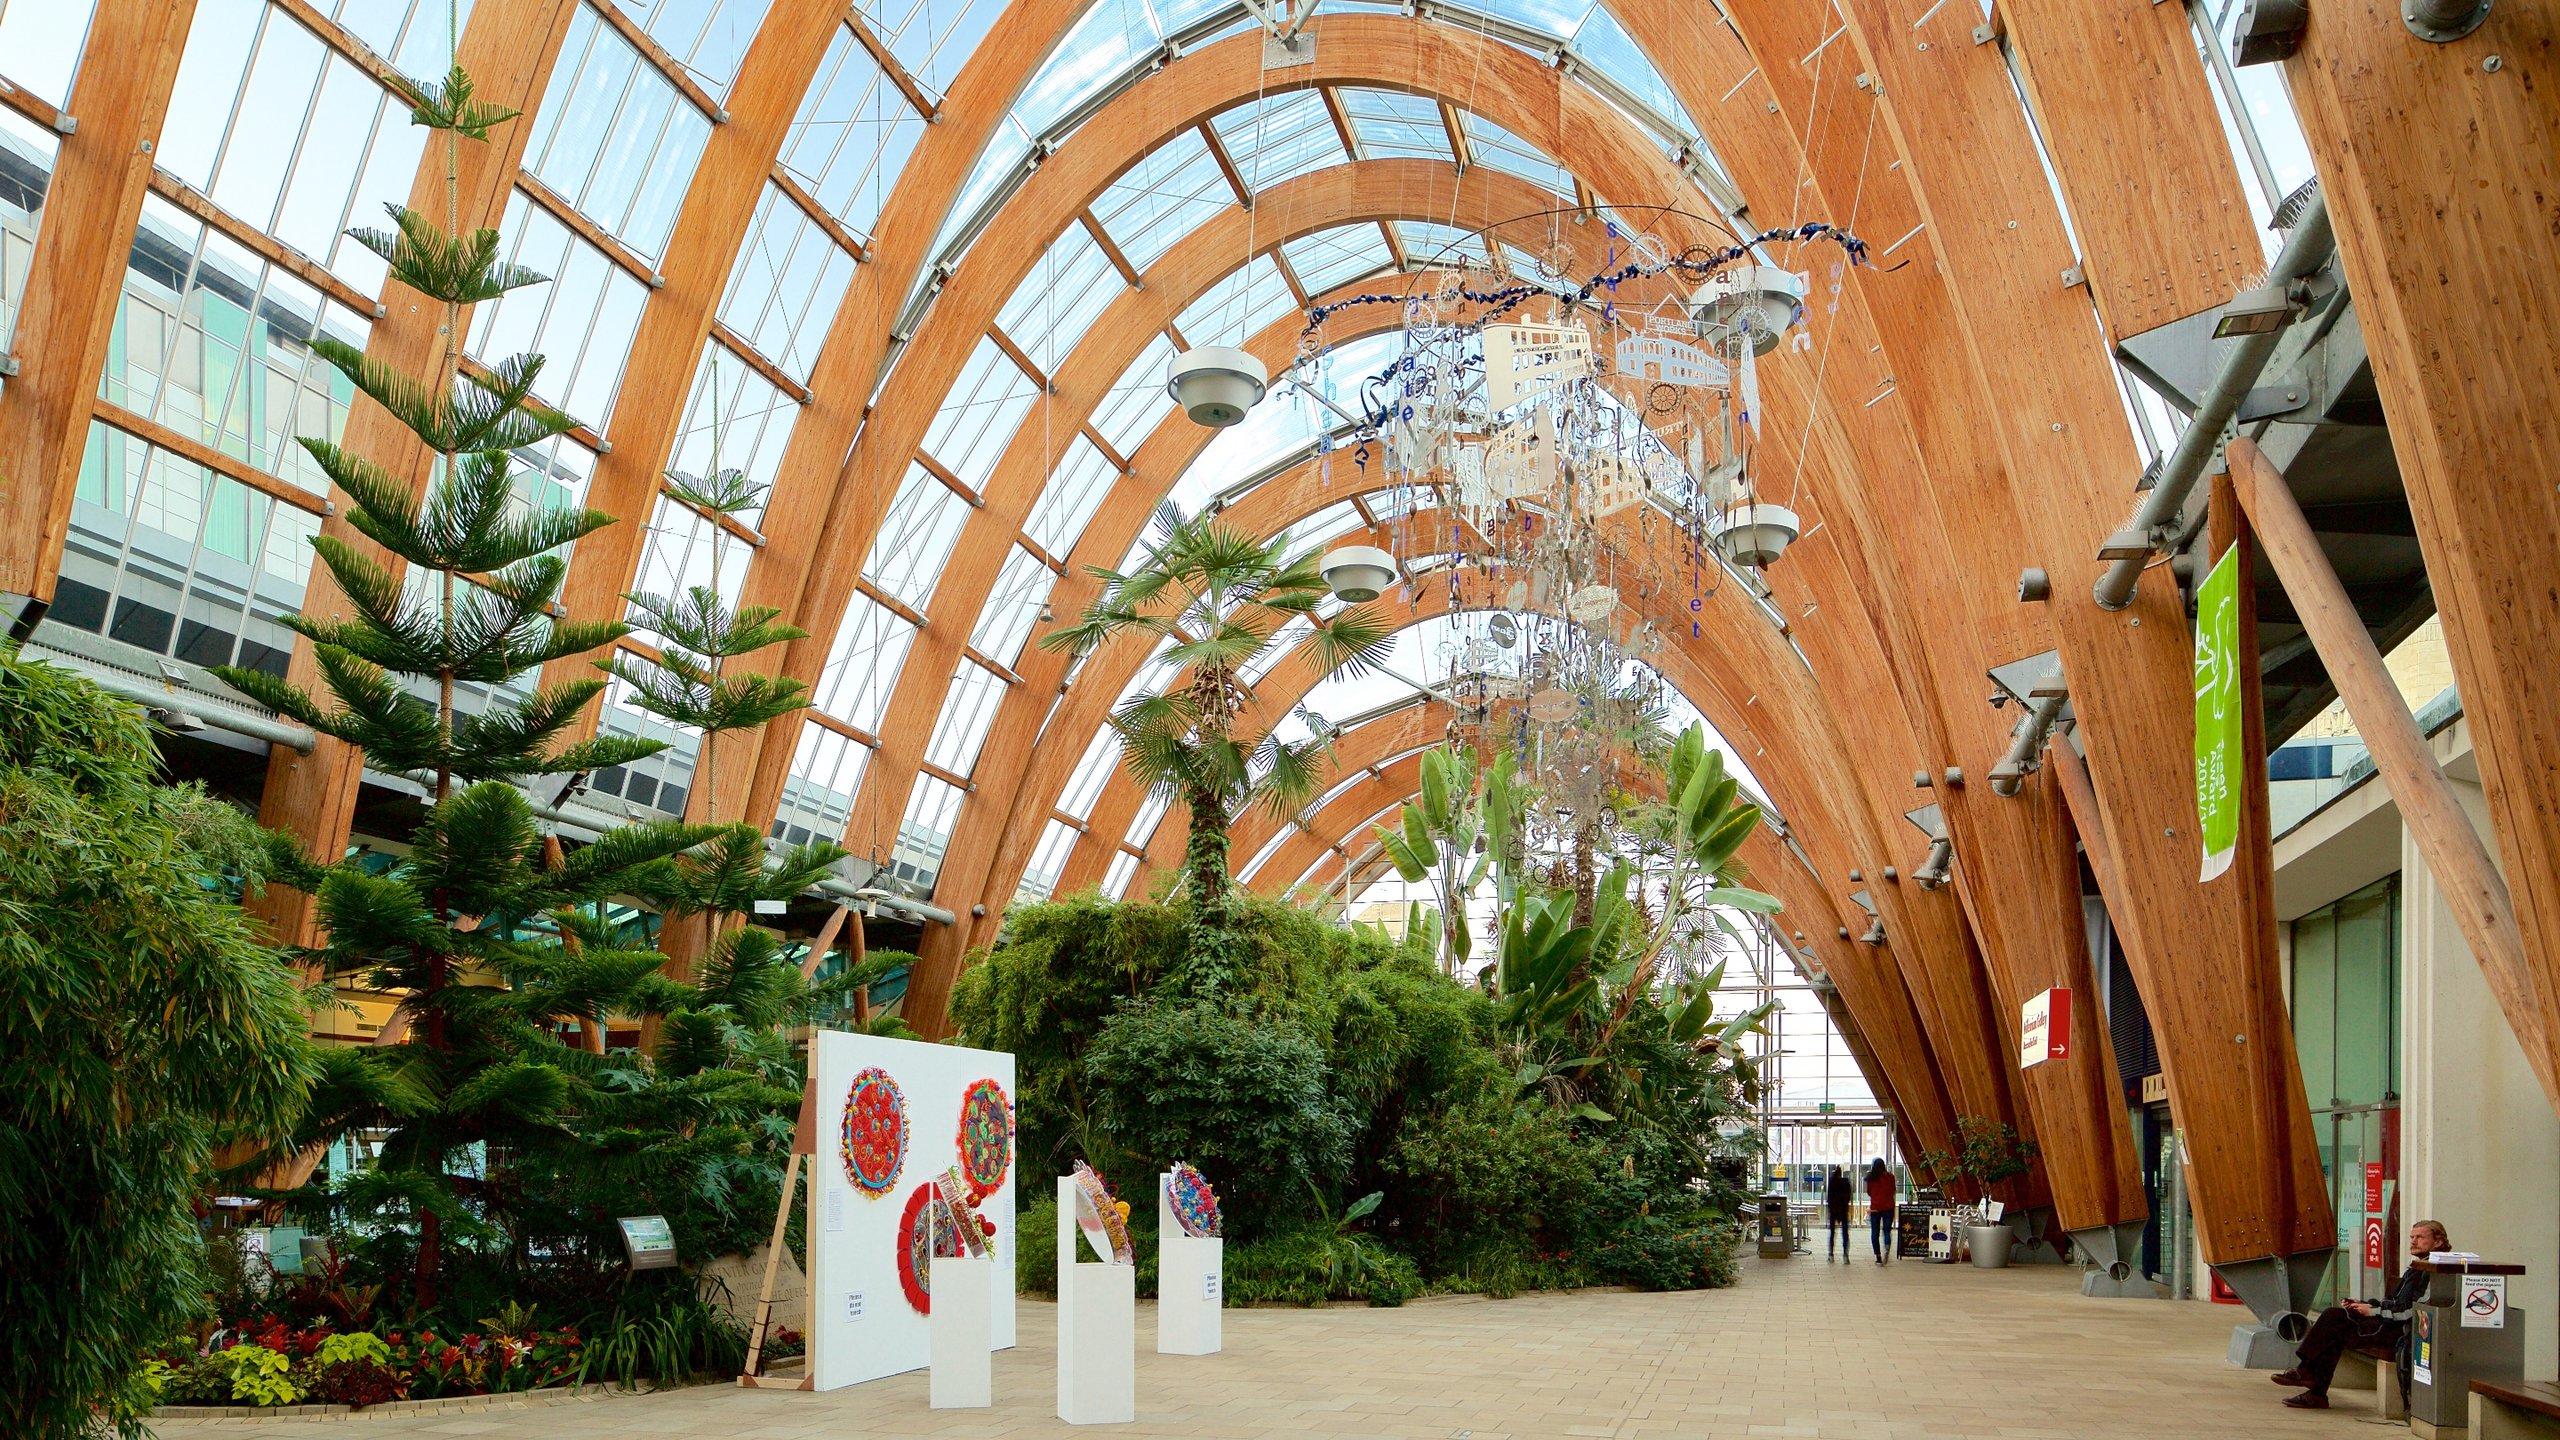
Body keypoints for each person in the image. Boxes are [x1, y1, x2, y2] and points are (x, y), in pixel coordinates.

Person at [2271, 1219, 2451, 1409]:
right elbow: (2396, 1302)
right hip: (2389, 1323)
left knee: (2334, 1323)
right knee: (2334, 1321)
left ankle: (2310, 1380)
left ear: (2438, 1242)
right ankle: (2312, 1385)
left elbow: (2415, 1312)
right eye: (2412, 1237)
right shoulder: (2418, 1266)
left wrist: (2373, 1311)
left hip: (2402, 1332)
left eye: (2420, 1237)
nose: (2413, 1241)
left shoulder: (2436, 1270)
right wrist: (2364, 1304)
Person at [1864, 1159, 1896, 1264]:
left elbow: (1869, 1192)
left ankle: (1878, 1256)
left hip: (1875, 1208)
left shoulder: (1870, 1177)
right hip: (1888, 1207)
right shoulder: (1890, 1177)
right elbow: (1893, 1190)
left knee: (1875, 1232)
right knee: (1886, 1231)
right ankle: (1887, 1245)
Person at [1823, 1167, 1854, 1261]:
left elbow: (1829, 1197)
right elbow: (1848, 1197)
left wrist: (1830, 1208)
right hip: (1843, 1210)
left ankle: (1831, 1254)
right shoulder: (1846, 1182)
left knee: (1832, 1233)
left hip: (1833, 1210)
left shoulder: (1832, 1182)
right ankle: (1845, 1255)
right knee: (1845, 1233)